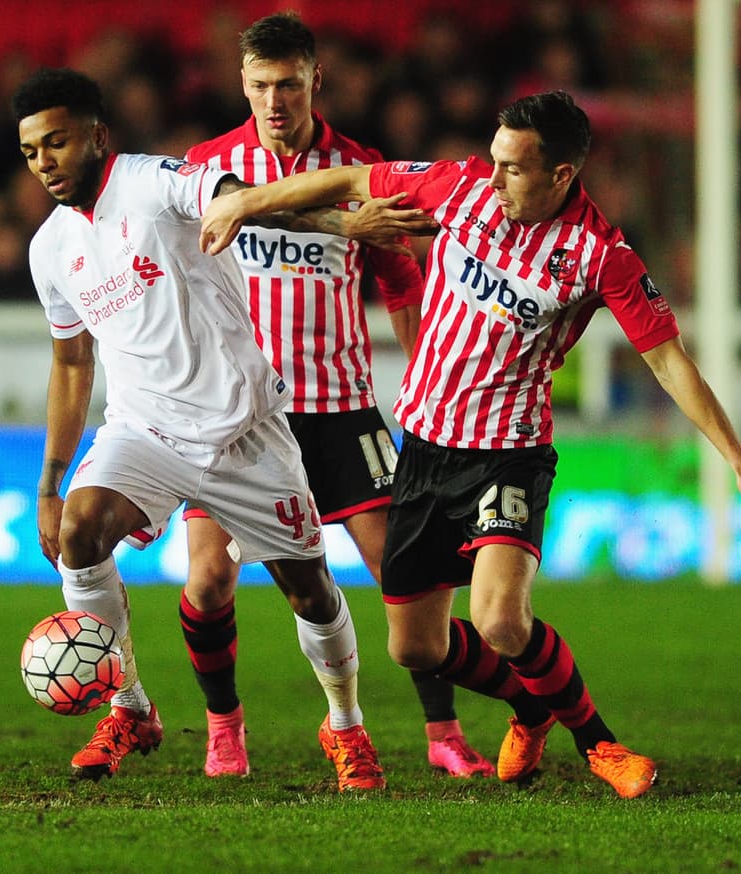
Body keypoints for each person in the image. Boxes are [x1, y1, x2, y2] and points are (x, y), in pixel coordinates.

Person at [200, 90, 741, 798]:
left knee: (501, 620)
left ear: (562, 175)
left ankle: (600, 745)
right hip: (423, 446)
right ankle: (531, 708)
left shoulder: (601, 256)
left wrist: (739, 460)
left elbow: (668, 361)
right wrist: (245, 202)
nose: (496, 175)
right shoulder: (462, 187)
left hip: (508, 451)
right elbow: (348, 179)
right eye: (495, 158)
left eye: (514, 167)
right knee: (414, 646)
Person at [14, 67, 392, 790]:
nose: (44, 163)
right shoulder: (48, 248)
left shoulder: (152, 182)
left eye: (57, 142)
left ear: (97, 136)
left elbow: (241, 201)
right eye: (31, 152)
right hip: (144, 433)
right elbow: (71, 363)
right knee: (80, 534)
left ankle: (345, 724)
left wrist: (341, 225)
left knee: (310, 591)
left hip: (242, 430)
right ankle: (130, 709)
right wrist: (50, 483)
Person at [178, 12, 492, 780]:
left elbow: (403, 286)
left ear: (315, 80)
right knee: (209, 580)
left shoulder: (362, 168)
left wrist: (428, 384)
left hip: (341, 409)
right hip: (242, 414)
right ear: (241, 83)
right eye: (260, 85)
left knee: (405, 577)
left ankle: (444, 734)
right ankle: (224, 727)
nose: (275, 101)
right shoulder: (209, 166)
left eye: (289, 84)